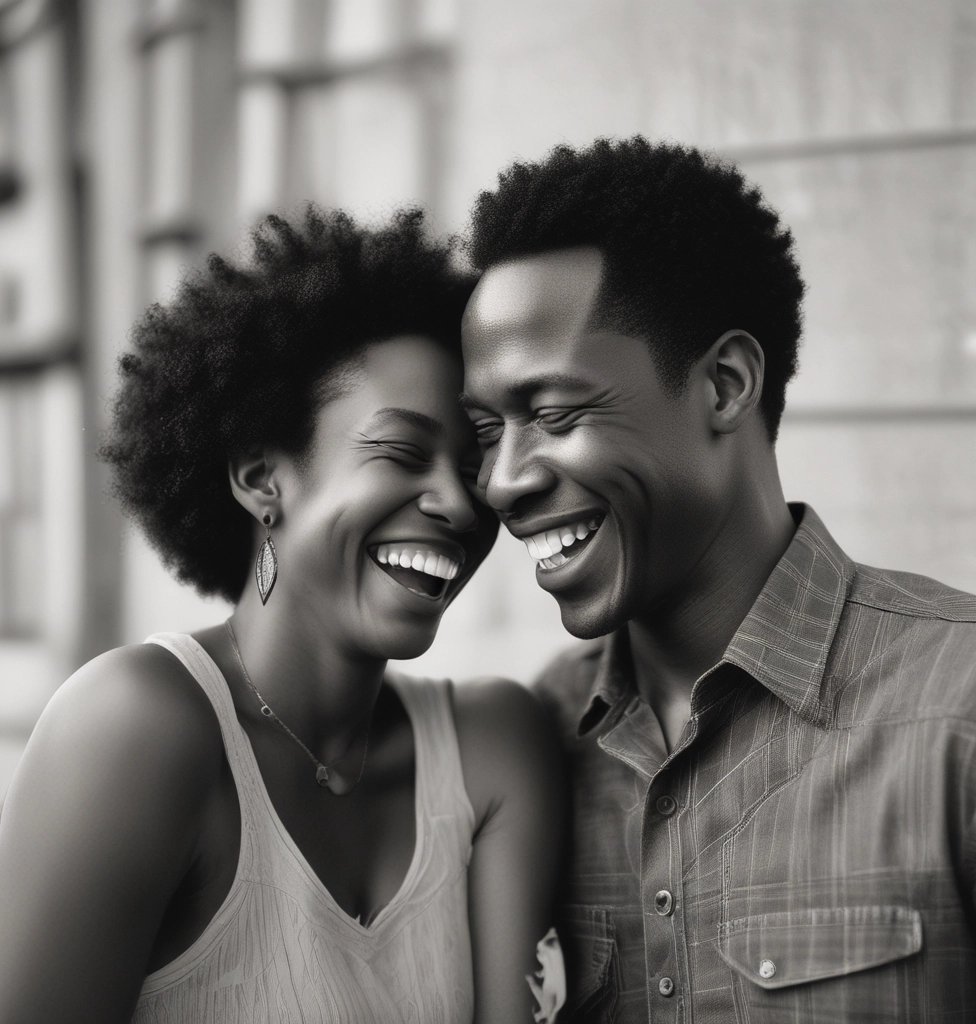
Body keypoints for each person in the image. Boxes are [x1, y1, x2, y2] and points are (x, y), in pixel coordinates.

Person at [459, 137, 976, 1022]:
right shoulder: (533, 756)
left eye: (556, 413)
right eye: (487, 432)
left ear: (724, 384)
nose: (503, 480)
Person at [0, 207, 562, 1023]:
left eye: (473, 469)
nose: (456, 503)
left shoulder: (494, 750)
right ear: (264, 476)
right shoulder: (135, 729)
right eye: (402, 453)